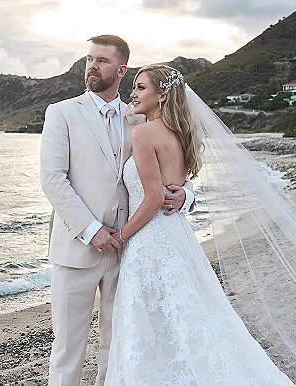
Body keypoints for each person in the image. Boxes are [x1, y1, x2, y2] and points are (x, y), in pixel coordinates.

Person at [104, 64, 295, 385]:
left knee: (152, 320)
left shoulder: (143, 133)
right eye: (133, 87)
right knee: (189, 313)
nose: (132, 94)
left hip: (150, 240)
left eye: (140, 88)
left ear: (162, 95)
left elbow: (152, 199)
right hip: (176, 235)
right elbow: (177, 186)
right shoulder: (180, 134)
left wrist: (121, 235)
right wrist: (185, 196)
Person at [40, 36, 193, 386]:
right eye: (89, 59)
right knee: (68, 347)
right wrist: (92, 229)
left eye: (102, 61)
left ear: (121, 69)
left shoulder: (139, 118)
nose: (92, 66)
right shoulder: (61, 113)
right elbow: (52, 179)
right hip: (78, 248)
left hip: (129, 250)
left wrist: (185, 197)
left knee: (118, 342)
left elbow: (173, 172)